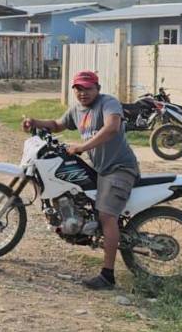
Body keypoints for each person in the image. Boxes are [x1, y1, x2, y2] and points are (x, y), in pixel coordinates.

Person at [23, 70, 140, 290]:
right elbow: (58, 125)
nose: (82, 93)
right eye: (78, 88)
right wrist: (35, 122)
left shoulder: (108, 103)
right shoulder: (77, 108)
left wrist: (82, 147)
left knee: (107, 215)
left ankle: (108, 276)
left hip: (119, 168)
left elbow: (112, 127)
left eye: (87, 88)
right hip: (99, 168)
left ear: (97, 89)